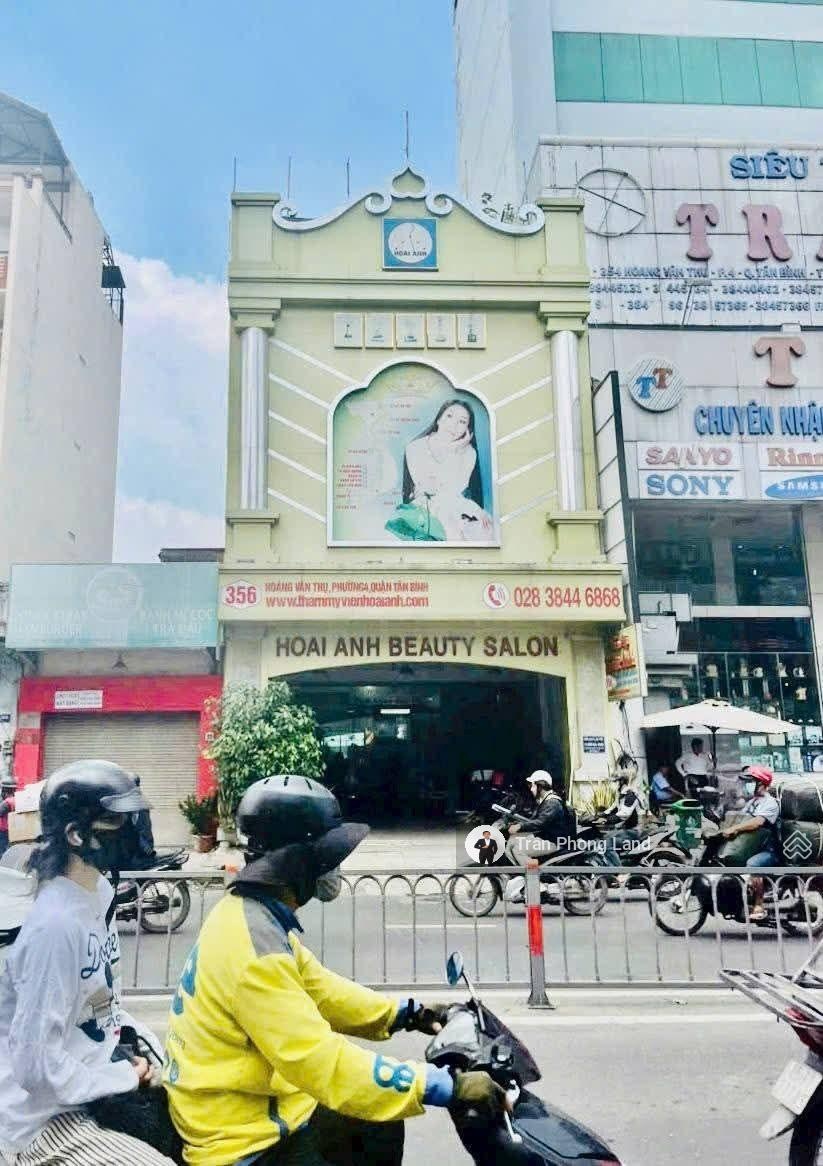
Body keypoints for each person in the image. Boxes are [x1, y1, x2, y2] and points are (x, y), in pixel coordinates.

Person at [163, 774, 508, 1165]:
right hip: (241, 1141)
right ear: (299, 864)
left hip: (259, 1109)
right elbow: (321, 1061)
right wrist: (445, 1085)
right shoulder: (256, 951)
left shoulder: (252, 918)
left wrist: (407, 1013)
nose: (335, 868)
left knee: (378, 1121)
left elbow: (322, 991)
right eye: (327, 858)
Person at [0, 759, 175, 1165]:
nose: (133, 829)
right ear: (77, 835)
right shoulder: (55, 926)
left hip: (91, 1084)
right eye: (116, 820)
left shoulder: (98, 895)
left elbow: (97, 996)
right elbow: (36, 1063)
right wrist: (119, 1078)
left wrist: (130, 1051)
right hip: (43, 1119)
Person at [400, 400, 494, 541]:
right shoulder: (415, 448)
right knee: (449, 527)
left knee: (486, 527)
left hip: (455, 504)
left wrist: (476, 509)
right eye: (449, 416)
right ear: (438, 419)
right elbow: (429, 489)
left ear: (467, 429)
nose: (454, 424)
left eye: (462, 422)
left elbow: (455, 489)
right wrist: (451, 449)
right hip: (424, 508)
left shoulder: (469, 452)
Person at [721, 765, 780, 922]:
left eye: (752, 781)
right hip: (750, 847)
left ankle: (759, 905)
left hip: (767, 850)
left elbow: (757, 822)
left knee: (753, 864)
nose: (748, 784)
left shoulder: (770, 803)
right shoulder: (753, 801)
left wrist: (735, 828)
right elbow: (740, 817)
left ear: (762, 784)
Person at [507, 770, 567, 862]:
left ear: (540, 786)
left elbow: (540, 822)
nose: (531, 789)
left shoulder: (552, 802)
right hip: (544, 836)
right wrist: (517, 823)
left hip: (553, 841)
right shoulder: (545, 800)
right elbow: (535, 820)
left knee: (518, 849)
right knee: (512, 841)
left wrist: (520, 826)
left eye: (533, 786)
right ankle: (516, 869)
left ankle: (532, 871)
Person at [601, 774, 645, 868]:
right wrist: (597, 816)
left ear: (620, 782)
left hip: (633, 832)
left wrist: (607, 820)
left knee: (607, 844)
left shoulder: (630, 796)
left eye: (613, 782)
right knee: (603, 837)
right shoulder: (621, 796)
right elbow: (612, 809)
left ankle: (618, 872)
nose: (610, 785)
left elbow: (624, 815)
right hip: (625, 830)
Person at [128, 775, 157, 868]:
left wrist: (147, 848)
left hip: (142, 852)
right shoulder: (123, 806)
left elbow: (145, 831)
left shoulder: (143, 807)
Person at [0, 782, 16, 859]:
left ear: (5, 791)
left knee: (2, 851)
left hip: (4, 832)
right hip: (14, 830)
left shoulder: (6, 803)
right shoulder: (16, 800)